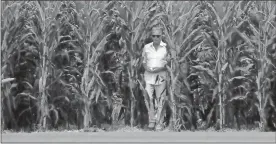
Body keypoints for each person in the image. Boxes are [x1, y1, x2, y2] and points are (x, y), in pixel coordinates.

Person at [142, 26, 170, 131]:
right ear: (151, 36)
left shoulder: (166, 47)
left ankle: (159, 123)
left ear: (161, 36)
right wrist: (147, 68)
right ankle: (151, 121)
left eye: (158, 36)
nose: (156, 38)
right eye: (154, 36)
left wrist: (159, 69)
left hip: (161, 77)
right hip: (148, 77)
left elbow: (168, 63)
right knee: (148, 99)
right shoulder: (146, 47)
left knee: (161, 100)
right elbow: (143, 61)